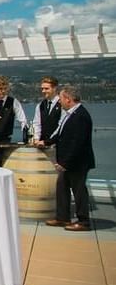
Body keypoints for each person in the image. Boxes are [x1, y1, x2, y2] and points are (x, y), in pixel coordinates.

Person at [44, 86, 95, 232]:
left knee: (79, 191)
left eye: (60, 99)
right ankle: (62, 217)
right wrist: (46, 142)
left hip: (78, 163)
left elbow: (77, 143)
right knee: (62, 187)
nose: (59, 102)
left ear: (68, 99)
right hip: (69, 162)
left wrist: (65, 163)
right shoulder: (71, 114)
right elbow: (61, 134)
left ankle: (83, 221)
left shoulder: (80, 116)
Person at [33, 76, 62, 145]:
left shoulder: (62, 104)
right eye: (42, 89)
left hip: (57, 143)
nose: (43, 91)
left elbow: (61, 126)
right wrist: (36, 138)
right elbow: (37, 124)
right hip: (42, 144)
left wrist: (50, 141)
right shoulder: (40, 105)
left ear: (54, 88)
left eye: (46, 89)